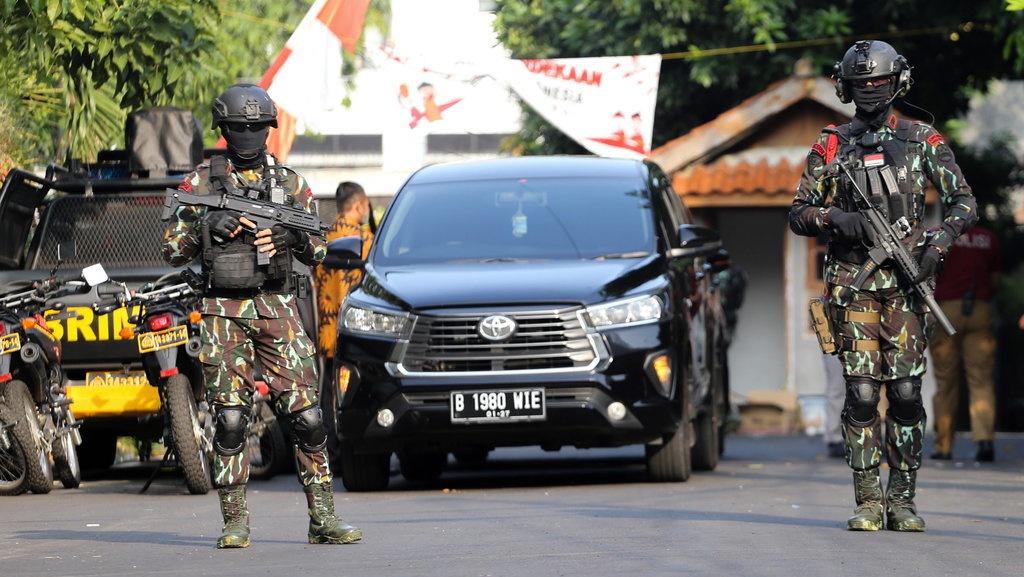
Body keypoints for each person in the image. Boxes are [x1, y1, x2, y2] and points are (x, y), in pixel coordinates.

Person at [162, 83, 361, 548]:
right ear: (224, 129)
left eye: (256, 127)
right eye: (240, 127)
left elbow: (318, 247)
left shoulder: (291, 184)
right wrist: (205, 229)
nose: (249, 134)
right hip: (220, 310)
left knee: (307, 417)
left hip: (277, 305)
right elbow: (172, 250)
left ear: (268, 128)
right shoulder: (200, 184)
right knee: (230, 419)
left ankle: (323, 519)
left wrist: (291, 240)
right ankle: (234, 523)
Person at [790, 40, 976, 532]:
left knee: (909, 392)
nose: (870, 91)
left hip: (908, 284)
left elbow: (963, 202)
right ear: (844, 87)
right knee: (863, 393)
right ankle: (869, 500)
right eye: (860, 84)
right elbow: (799, 212)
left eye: (877, 82)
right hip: (853, 285)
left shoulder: (922, 140)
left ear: (898, 83)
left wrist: (936, 247)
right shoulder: (831, 143)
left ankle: (904, 499)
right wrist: (836, 218)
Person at [928, 223, 1001, 462]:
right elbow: (996, 280)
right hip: (978, 310)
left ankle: (944, 446)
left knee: (945, 381)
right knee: (981, 379)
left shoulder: (938, 236)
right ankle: (984, 441)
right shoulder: (988, 238)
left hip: (945, 310)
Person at [314, 181, 374, 361]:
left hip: (326, 333)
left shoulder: (320, 239)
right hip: (358, 332)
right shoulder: (366, 240)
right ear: (359, 205)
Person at [823, 353, 846, 458]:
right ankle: (835, 439)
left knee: (866, 390)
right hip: (836, 342)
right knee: (837, 389)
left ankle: (870, 438)